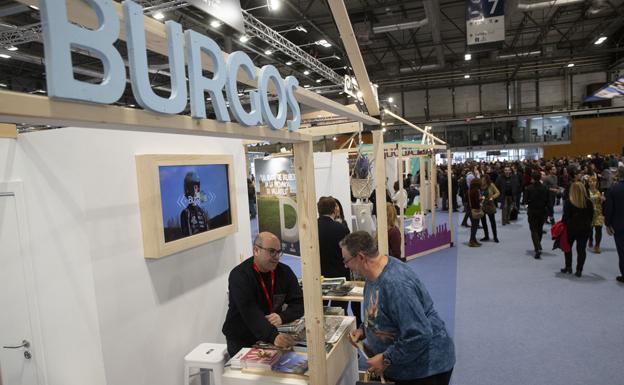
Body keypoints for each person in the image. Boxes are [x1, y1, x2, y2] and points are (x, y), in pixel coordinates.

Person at [341, 231, 455, 385]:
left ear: (361, 257)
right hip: (406, 364)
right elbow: (378, 313)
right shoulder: (372, 274)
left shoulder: (396, 284)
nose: (346, 266)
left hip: (426, 369)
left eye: (346, 261)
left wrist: (386, 358)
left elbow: (420, 334)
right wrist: (363, 330)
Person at [222, 232, 304, 357]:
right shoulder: (239, 276)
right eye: (271, 251)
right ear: (256, 250)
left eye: (278, 252)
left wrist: (282, 316)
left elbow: (300, 303)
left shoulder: (284, 272)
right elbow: (250, 312)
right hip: (242, 339)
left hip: (270, 335)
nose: (276, 257)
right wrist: (273, 336)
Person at [317, 196, 351, 314]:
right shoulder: (341, 228)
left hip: (317, 276)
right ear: (334, 210)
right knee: (340, 311)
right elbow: (349, 252)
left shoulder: (311, 227)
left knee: (320, 310)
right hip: (339, 276)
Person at [560, 182, 593, 277]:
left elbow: (565, 218)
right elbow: (591, 217)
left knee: (567, 248)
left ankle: (568, 267)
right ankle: (579, 270)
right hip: (585, 229)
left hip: (571, 229)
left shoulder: (569, 202)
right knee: (581, 250)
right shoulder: (589, 202)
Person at [604, 167, 624, 283]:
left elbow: (609, 209)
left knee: (622, 250)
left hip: (619, 225)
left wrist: (607, 224)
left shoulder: (613, 189)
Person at [525, 171, 549, 259]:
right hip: (543, 211)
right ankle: (538, 244)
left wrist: (529, 204)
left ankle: (537, 247)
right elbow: (548, 200)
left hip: (532, 211)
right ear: (540, 178)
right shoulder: (545, 187)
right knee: (539, 229)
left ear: (532, 178)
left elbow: (525, 201)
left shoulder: (528, 188)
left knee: (533, 230)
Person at [180, 171, 209, 236]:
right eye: (194, 187)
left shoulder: (202, 212)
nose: (197, 190)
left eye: (197, 187)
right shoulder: (186, 213)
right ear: (188, 189)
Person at [587, 176, 605, 254]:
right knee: (590, 229)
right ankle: (590, 239)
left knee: (599, 229)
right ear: (588, 183)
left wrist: (603, 199)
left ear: (596, 183)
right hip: (589, 213)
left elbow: (603, 200)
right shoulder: (586, 191)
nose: (592, 183)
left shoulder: (600, 191)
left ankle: (597, 246)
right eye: (590, 182)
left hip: (599, 213)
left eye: (594, 181)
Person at [480, 174, 500, 243]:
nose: (483, 181)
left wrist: (492, 197)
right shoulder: (480, 186)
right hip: (482, 206)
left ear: (487, 180)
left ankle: (495, 237)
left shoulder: (491, 185)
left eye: (484, 180)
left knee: (492, 222)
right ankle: (486, 236)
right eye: (482, 179)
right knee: (483, 222)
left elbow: (498, 192)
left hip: (490, 205)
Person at [468, 178, 483, 247]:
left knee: (473, 226)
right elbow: (477, 202)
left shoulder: (469, 190)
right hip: (475, 209)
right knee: (475, 226)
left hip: (470, 209)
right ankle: (472, 241)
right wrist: (481, 199)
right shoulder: (476, 191)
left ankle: (473, 239)